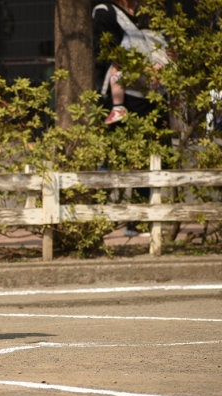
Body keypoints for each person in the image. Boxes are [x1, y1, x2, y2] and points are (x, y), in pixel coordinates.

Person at [93, 0, 168, 237]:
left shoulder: (148, 14)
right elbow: (111, 53)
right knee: (113, 155)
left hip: (152, 97)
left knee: (150, 157)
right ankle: (96, 217)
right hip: (124, 97)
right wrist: (145, 70)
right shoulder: (105, 11)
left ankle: (139, 220)